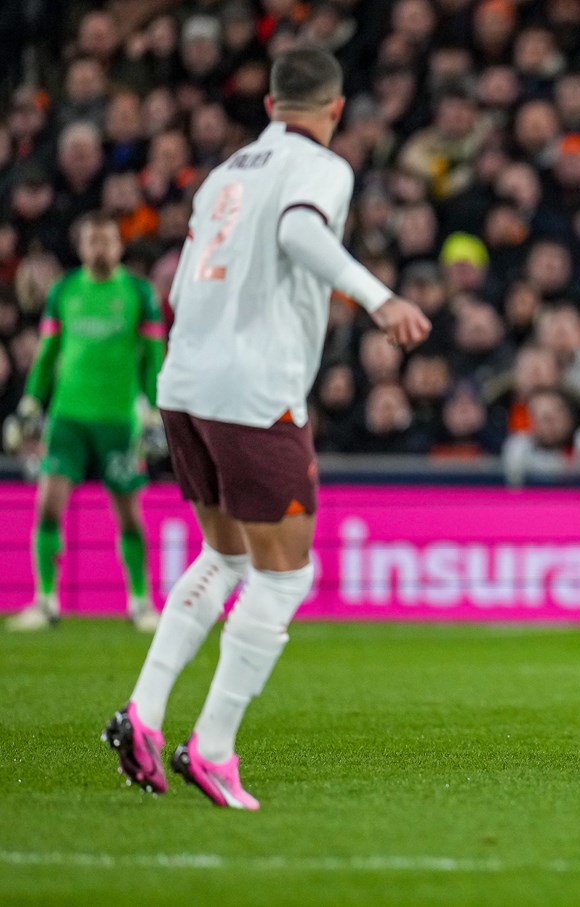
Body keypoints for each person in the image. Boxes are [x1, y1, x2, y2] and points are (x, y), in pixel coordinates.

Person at [101, 45, 431, 809]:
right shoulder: (322, 168)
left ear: (269, 105)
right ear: (336, 109)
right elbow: (299, 234)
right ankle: (211, 748)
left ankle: (145, 715)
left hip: (184, 381)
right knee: (287, 573)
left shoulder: (225, 173)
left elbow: (181, 281)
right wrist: (378, 298)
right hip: (253, 389)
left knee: (227, 556)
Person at [4, 211, 164, 633]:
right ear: (81, 246)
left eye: (107, 240)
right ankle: (46, 600)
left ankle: (140, 601)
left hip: (119, 420)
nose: (100, 248)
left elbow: (153, 357)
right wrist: (31, 404)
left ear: (119, 245)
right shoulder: (65, 291)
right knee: (48, 505)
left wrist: (152, 407)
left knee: (129, 513)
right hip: (68, 417)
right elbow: (47, 353)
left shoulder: (138, 292)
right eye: (93, 240)